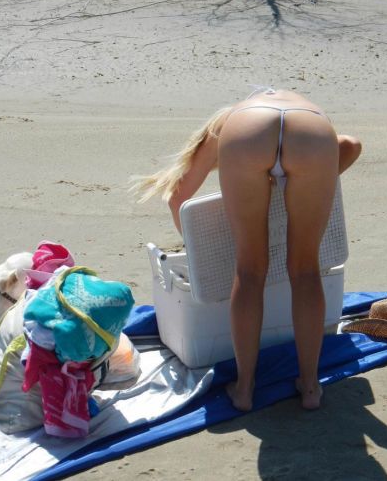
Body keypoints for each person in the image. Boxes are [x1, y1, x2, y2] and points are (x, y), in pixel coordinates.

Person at [132, 88, 362, 411]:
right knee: (306, 270)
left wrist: (198, 249)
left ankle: (244, 390)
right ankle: (311, 388)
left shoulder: (227, 123)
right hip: (312, 129)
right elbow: (351, 145)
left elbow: (178, 197)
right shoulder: (292, 104)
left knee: (249, 271)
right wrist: (300, 189)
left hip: (248, 134)